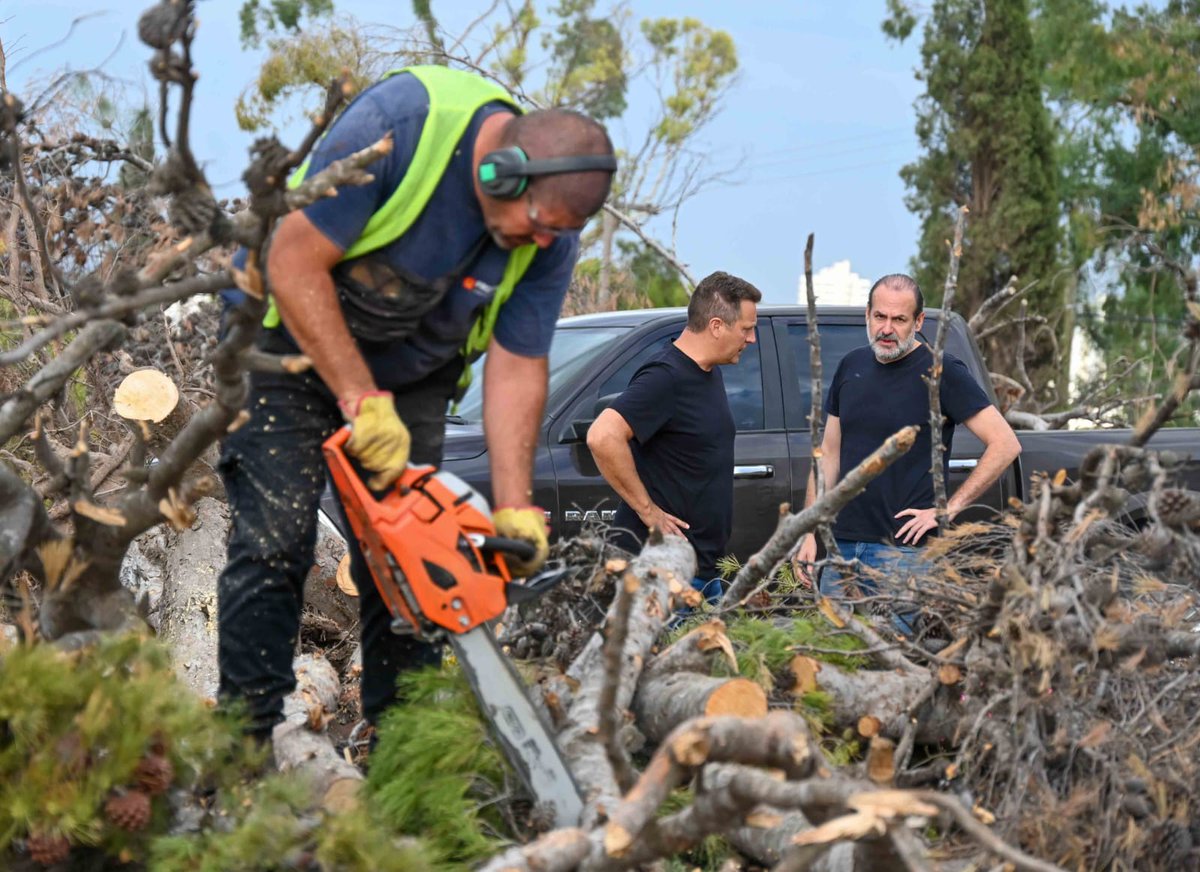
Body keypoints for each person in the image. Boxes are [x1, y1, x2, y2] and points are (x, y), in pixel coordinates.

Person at [216, 65, 616, 743]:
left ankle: (401, 746)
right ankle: (242, 748)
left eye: (559, 232)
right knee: (276, 537)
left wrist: (515, 505)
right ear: (502, 174)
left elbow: (518, 367)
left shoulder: (551, 237)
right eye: (540, 223)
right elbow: (291, 261)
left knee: (411, 556)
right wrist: (357, 398)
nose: (544, 241)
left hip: (417, 366)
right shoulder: (403, 128)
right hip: (289, 340)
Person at [795, 273, 1021, 633]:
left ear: (917, 322)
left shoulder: (941, 372)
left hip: (905, 555)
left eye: (899, 320)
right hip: (841, 548)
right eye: (880, 317)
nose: (887, 328)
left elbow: (1005, 443)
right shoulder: (850, 367)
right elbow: (829, 454)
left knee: (900, 662)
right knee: (832, 656)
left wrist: (949, 507)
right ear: (867, 315)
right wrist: (807, 531)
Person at [586, 271, 762, 602]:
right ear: (716, 326)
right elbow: (602, 435)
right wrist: (648, 511)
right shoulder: (666, 377)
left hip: (701, 571)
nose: (752, 338)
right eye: (747, 329)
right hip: (660, 573)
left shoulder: (708, 373)